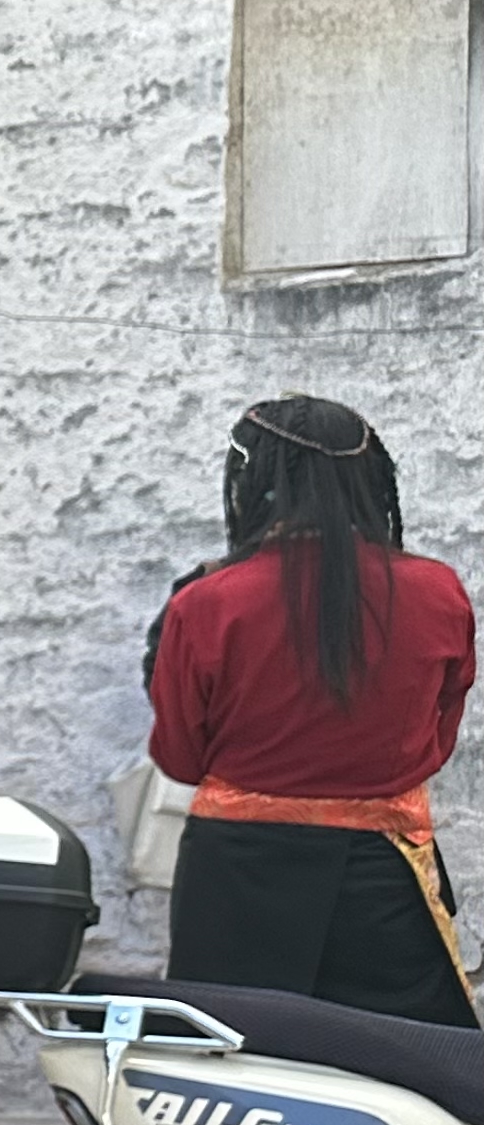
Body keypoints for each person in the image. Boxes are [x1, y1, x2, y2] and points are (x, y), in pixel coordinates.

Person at [150, 396, 474, 1025]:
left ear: (251, 483)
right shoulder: (437, 591)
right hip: (383, 873)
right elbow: (437, 739)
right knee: (398, 1056)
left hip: (236, 877)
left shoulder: (207, 602)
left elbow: (181, 758)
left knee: (233, 1054)